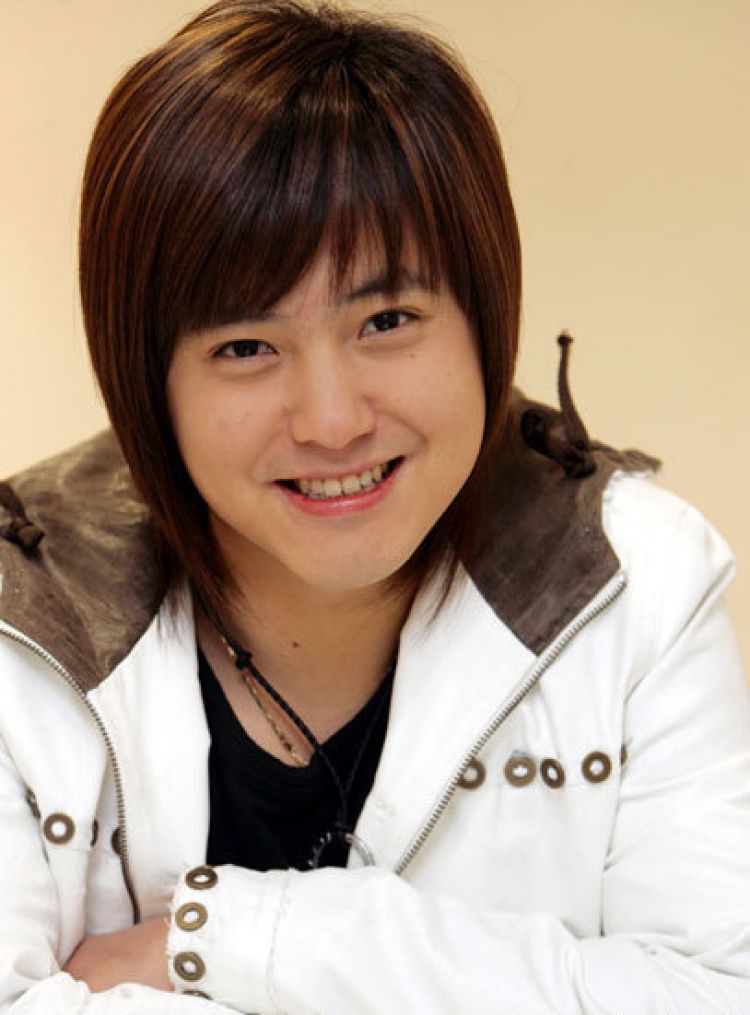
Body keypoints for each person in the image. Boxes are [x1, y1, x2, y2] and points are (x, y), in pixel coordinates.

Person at [0, 0, 748, 1011]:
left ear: (485, 320)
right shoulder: (19, 612)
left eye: (387, 320)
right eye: (246, 347)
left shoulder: (635, 581)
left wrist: (232, 938)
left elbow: (715, 993)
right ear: (146, 379)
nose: (332, 419)